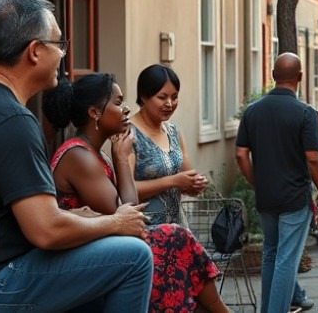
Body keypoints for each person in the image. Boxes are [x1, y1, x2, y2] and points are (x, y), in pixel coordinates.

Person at [0, 0, 153, 312]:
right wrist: (114, 222)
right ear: (34, 52)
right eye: (59, 44)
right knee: (134, 256)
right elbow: (45, 230)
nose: (62, 54)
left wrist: (70, 216)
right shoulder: (12, 120)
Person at [42, 73, 229, 313]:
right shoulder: (79, 156)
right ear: (94, 113)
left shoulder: (94, 153)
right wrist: (121, 159)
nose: (126, 109)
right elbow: (129, 216)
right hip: (78, 255)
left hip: (102, 245)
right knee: (174, 237)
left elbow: (126, 214)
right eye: (118, 103)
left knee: (178, 255)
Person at [236, 53, 318, 313]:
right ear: (300, 77)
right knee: (286, 259)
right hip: (294, 197)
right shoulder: (305, 113)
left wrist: (256, 182)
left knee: (271, 253)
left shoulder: (252, 111)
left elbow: (241, 154)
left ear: (273, 76)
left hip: (266, 197)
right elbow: (313, 159)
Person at [130, 64, 208, 225]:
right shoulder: (128, 134)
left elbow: (186, 180)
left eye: (174, 97)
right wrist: (173, 181)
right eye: (162, 97)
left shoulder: (173, 131)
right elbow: (125, 191)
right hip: (145, 230)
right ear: (144, 97)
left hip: (177, 227)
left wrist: (195, 184)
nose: (170, 103)